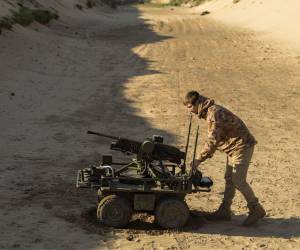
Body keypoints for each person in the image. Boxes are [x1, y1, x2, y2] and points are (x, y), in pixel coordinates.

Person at [183, 90, 266, 226]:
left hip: (242, 146)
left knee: (238, 179)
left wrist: (198, 160)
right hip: (234, 147)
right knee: (229, 178)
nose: (190, 111)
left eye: (190, 107)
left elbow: (212, 141)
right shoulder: (210, 111)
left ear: (197, 103)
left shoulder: (213, 114)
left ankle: (256, 208)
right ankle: (225, 211)